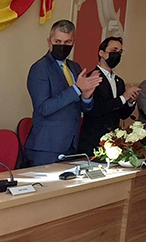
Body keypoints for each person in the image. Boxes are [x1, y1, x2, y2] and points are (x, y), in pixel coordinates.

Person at [26, 20, 101, 166]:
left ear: (73, 42)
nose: (62, 46)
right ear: (49, 42)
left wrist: (86, 96)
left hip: (71, 143)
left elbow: (83, 108)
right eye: (58, 41)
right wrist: (76, 89)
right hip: (47, 146)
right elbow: (43, 108)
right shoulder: (40, 68)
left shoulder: (75, 67)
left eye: (67, 42)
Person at [79, 36, 140, 157]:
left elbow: (122, 114)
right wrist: (123, 97)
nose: (117, 55)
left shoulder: (119, 81)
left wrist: (130, 101)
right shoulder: (92, 78)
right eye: (114, 50)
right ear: (101, 53)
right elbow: (95, 109)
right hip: (93, 139)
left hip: (112, 140)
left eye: (120, 52)